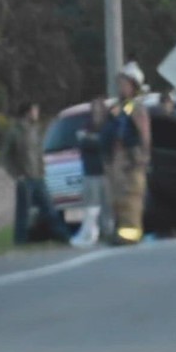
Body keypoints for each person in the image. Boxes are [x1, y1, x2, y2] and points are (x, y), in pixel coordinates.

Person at [4, 102, 72, 245]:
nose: (37, 113)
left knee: (49, 208)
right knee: (23, 212)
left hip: (38, 177)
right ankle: (20, 241)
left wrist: (42, 171)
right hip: (25, 178)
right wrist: (17, 174)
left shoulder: (36, 130)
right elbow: (6, 157)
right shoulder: (16, 131)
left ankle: (62, 236)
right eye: (34, 110)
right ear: (27, 112)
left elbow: (39, 153)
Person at [100, 62, 152, 246]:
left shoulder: (137, 107)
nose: (121, 87)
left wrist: (141, 158)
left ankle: (130, 235)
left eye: (124, 83)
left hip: (131, 163)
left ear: (133, 85)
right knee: (118, 200)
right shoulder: (123, 107)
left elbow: (143, 135)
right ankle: (120, 232)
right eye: (120, 83)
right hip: (118, 161)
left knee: (131, 201)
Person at [70, 97, 109, 248]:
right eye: (95, 109)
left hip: (106, 172)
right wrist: (94, 141)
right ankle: (92, 234)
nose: (97, 112)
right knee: (92, 207)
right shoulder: (86, 126)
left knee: (107, 207)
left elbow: (106, 144)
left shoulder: (107, 125)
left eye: (99, 109)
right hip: (91, 173)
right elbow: (83, 143)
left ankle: (108, 232)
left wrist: (93, 140)